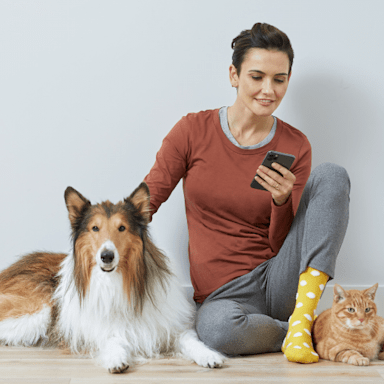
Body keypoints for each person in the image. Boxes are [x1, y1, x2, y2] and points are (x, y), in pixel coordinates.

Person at [143, 22, 350, 364]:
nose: (268, 90)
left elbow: (283, 243)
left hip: (278, 277)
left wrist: (282, 202)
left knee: (332, 175)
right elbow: (147, 199)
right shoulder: (192, 131)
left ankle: (301, 314)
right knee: (218, 332)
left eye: (279, 79)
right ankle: (306, 330)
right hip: (222, 295)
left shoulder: (295, 145)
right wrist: (103, 236)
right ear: (234, 75)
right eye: (257, 76)